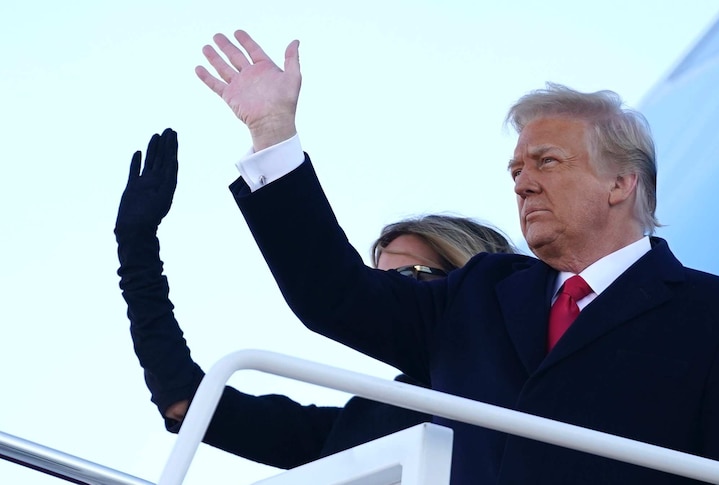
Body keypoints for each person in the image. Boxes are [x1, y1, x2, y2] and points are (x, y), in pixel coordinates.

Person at [196, 31, 719, 484]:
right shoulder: (478, 292)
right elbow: (336, 296)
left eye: (547, 162)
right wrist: (274, 133)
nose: (523, 183)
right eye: (515, 169)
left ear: (621, 183)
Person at [114, 128, 517, 469]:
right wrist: (137, 250)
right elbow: (186, 401)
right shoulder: (363, 422)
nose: (387, 294)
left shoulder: (539, 378)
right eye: (376, 280)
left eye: (409, 277)